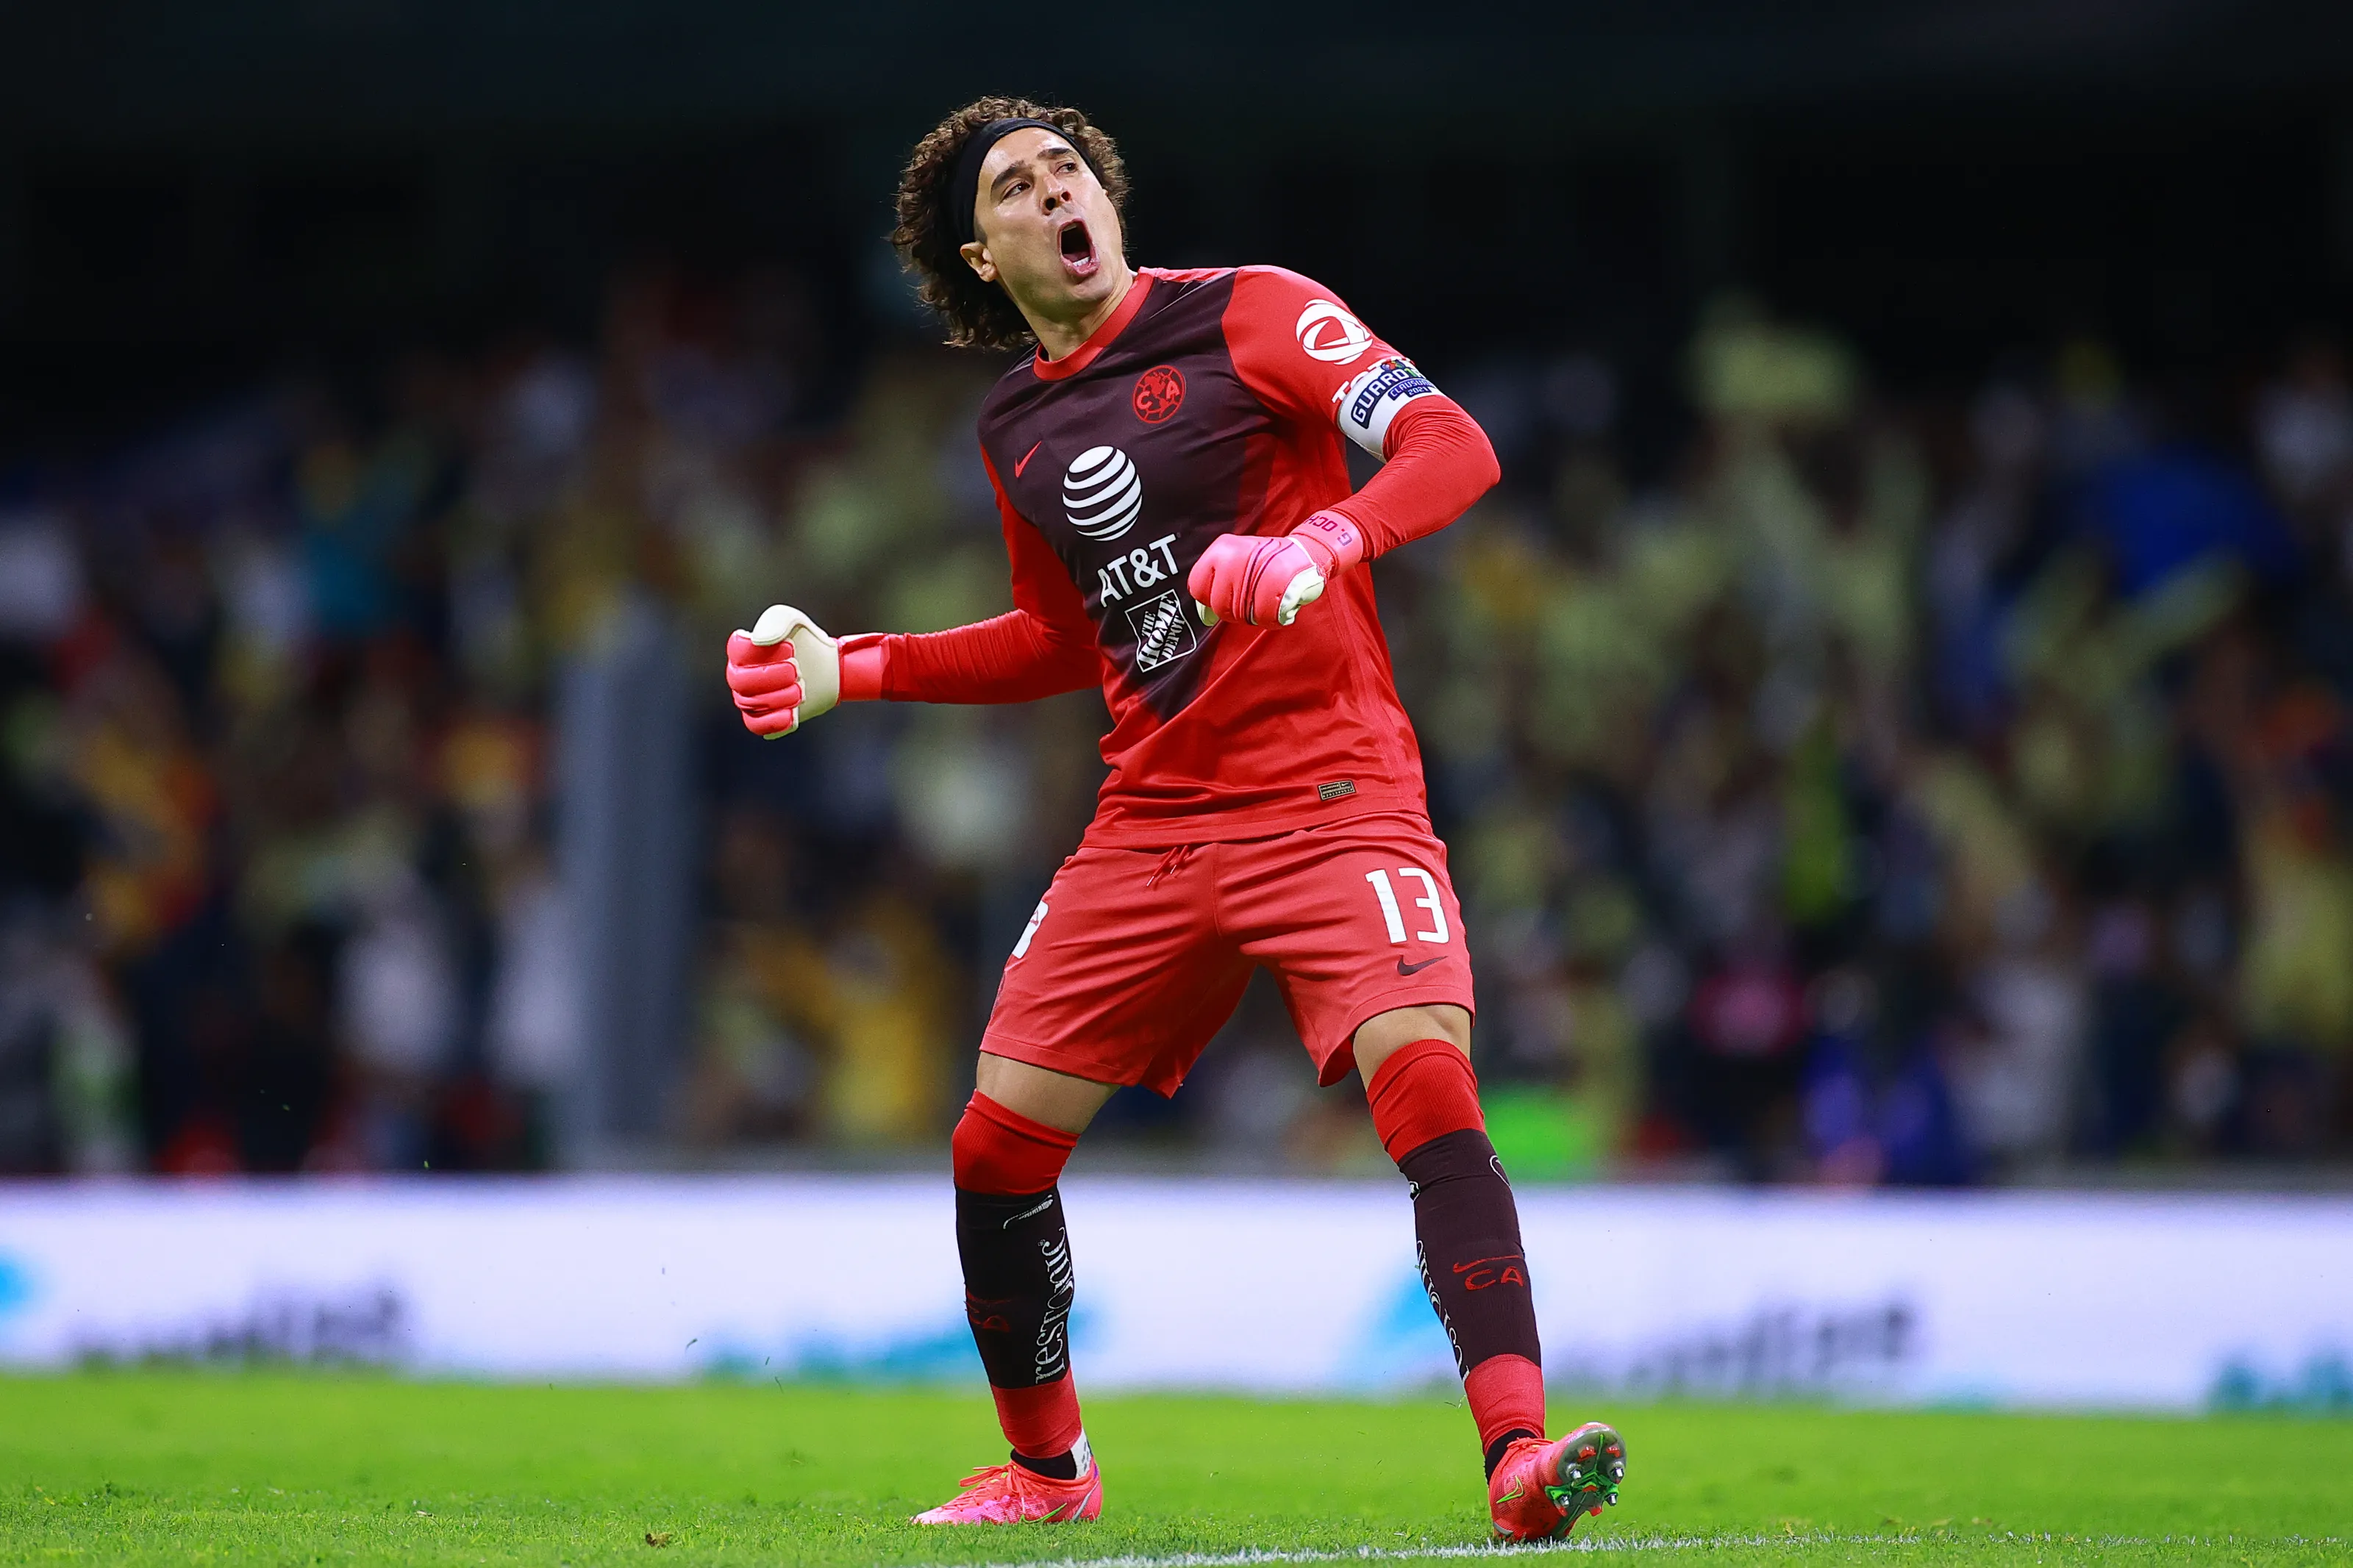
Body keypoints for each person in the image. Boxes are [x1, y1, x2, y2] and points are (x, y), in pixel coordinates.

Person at [724, 97, 1626, 1541]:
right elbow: (1057, 633)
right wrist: (858, 668)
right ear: (983, 254)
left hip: (1334, 796)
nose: (1056, 192)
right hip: (1152, 824)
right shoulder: (1016, 426)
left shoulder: (1251, 313)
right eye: (1018, 187)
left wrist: (1326, 534)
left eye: (1068, 169)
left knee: (1427, 1084)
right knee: (992, 1150)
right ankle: (1048, 1474)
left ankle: (1516, 1458)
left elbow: (1450, 444)